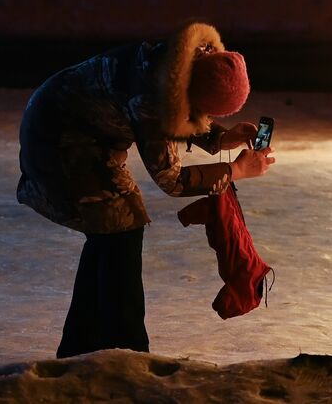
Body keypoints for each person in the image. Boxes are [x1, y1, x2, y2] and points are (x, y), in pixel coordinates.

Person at [17, 21, 276, 357]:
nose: (205, 116)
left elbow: (183, 104)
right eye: (207, 112)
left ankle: (82, 347)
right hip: (59, 143)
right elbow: (171, 179)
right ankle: (127, 350)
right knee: (121, 227)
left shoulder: (185, 59)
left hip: (71, 127)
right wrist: (236, 169)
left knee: (110, 234)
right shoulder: (153, 98)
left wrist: (218, 137)